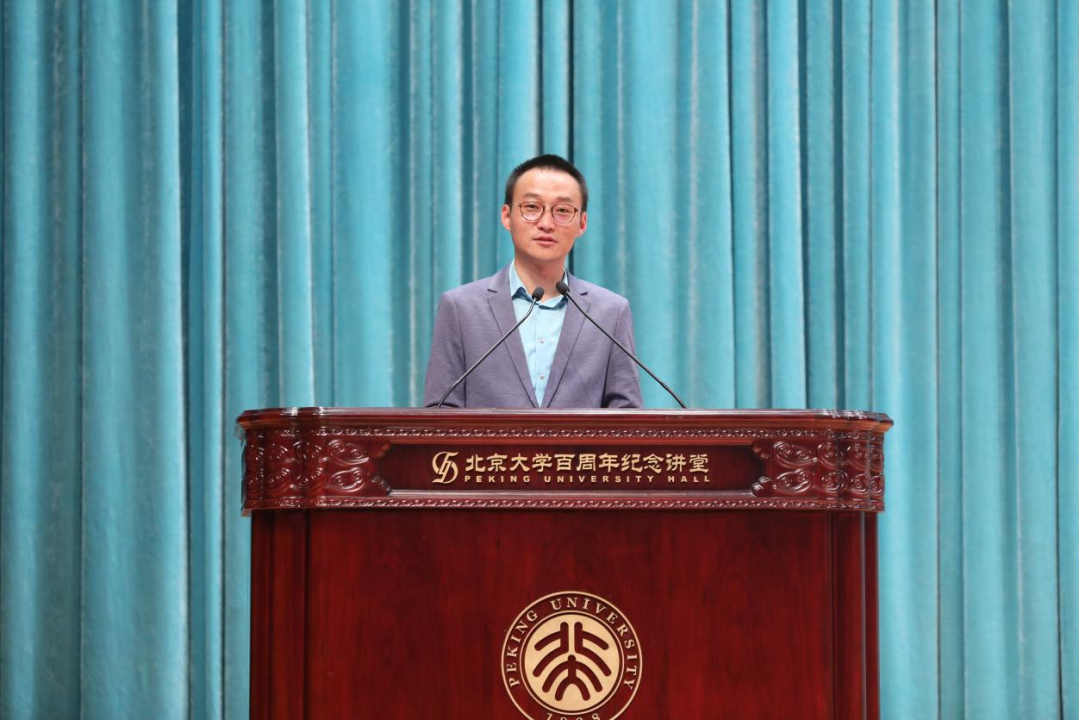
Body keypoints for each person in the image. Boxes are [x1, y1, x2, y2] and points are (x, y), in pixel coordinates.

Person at [423, 154, 643, 408]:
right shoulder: (460, 308)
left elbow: (627, 414)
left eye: (562, 210)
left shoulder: (610, 313)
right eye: (531, 207)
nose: (546, 224)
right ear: (507, 216)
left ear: (582, 224)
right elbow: (440, 412)